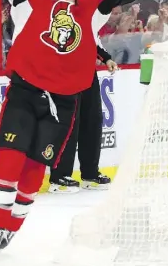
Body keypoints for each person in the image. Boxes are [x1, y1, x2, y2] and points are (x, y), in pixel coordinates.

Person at [0, 0, 164, 252]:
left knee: (35, 169)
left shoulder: (90, 6)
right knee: (11, 156)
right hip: (25, 90)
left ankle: (12, 225)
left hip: (64, 100)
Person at [48, 45, 117, 193]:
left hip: (87, 71)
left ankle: (90, 173)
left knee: (93, 120)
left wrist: (105, 57)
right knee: (69, 122)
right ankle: (59, 176)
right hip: (65, 71)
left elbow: (87, 39)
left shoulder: (85, 23)